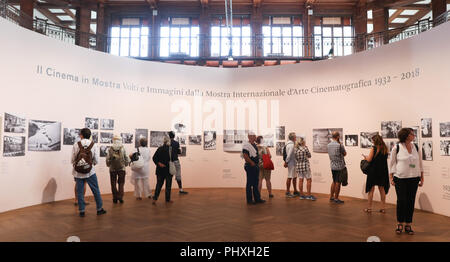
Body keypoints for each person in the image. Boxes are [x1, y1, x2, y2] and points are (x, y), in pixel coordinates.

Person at [389, 128, 424, 235]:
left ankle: (408, 224)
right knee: (401, 201)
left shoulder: (416, 147)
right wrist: (391, 177)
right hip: (400, 178)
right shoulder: (397, 147)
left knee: (410, 201)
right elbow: (391, 163)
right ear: (406, 135)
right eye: (411, 134)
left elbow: (420, 163)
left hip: (414, 178)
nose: (413, 135)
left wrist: (422, 176)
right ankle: (400, 223)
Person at [71, 128, 106, 217]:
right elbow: (97, 160)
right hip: (90, 171)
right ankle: (99, 209)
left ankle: (82, 211)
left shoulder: (76, 144)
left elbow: (72, 159)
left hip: (78, 172)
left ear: (81, 135)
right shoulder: (93, 145)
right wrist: (90, 164)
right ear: (89, 135)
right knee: (95, 190)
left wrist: (78, 165)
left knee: (80, 191)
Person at [362, 134, 390, 213]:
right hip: (382, 172)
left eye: (373, 140)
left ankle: (369, 208)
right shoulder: (385, 149)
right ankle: (383, 208)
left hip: (373, 171)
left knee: (371, 190)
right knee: (382, 189)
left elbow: (369, 159)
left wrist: (365, 157)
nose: (372, 142)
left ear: (375, 141)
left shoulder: (374, 149)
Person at [106, 135, 131, 204]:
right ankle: (120, 197)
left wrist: (108, 165)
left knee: (113, 183)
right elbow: (126, 158)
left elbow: (107, 159)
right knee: (121, 183)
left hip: (112, 169)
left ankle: (115, 197)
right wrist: (125, 164)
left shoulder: (110, 148)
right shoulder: (122, 148)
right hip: (121, 168)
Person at [242, 132, 265, 205]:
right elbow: (245, 155)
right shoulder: (246, 145)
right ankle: (249, 200)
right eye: (254, 136)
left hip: (255, 166)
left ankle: (257, 199)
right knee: (249, 183)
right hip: (250, 166)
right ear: (250, 137)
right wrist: (252, 163)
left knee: (255, 183)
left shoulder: (254, 144)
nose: (256, 137)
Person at [152, 136, 174, 204]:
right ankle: (167, 199)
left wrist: (159, 163)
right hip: (168, 170)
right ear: (169, 142)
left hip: (160, 170)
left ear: (164, 141)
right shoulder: (171, 150)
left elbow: (154, 158)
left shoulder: (159, 149)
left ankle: (155, 199)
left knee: (158, 185)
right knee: (168, 185)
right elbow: (174, 159)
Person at [327, 131, 346, 204]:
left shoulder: (328, 145)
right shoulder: (340, 145)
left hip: (332, 165)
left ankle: (331, 196)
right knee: (338, 182)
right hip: (339, 166)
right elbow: (344, 153)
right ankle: (336, 198)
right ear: (338, 136)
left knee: (334, 181)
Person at [284, 132, 299, 198]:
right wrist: (286, 162)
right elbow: (289, 155)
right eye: (295, 137)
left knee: (294, 177)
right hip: (291, 163)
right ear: (293, 138)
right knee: (290, 176)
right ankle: (287, 191)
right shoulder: (291, 145)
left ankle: (295, 190)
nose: (296, 138)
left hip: (293, 163)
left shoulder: (289, 144)